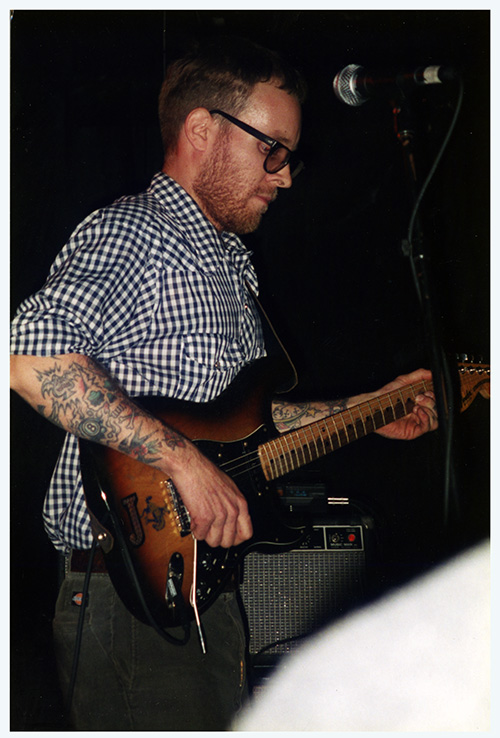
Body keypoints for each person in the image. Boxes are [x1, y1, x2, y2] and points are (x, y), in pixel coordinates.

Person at [10, 35, 437, 731]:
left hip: (206, 594)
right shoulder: (135, 233)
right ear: (202, 131)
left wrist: (363, 411)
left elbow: (245, 429)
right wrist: (179, 460)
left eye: (289, 156)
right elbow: (30, 357)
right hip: (128, 595)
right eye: (273, 150)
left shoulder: (233, 265)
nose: (286, 176)